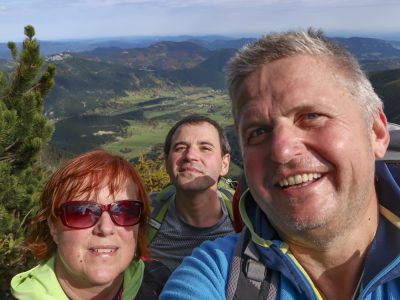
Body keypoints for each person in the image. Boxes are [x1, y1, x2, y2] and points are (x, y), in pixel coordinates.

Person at [160, 28, 400, 299]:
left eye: (311, 116)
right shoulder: (216, 274)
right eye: (258, 131)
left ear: (377, 133)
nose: (282, 151)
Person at [11, 149, 170, 300]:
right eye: (82, 212)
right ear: (53, 227)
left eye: (124, 211)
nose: (106, 228)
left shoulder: (162, 283)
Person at [148, 114, 236, 271]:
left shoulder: (250, 220)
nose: (190, 156)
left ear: (224, 163)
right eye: (180, 148)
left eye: (205, 148)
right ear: (167, 163)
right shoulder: (142, 217)